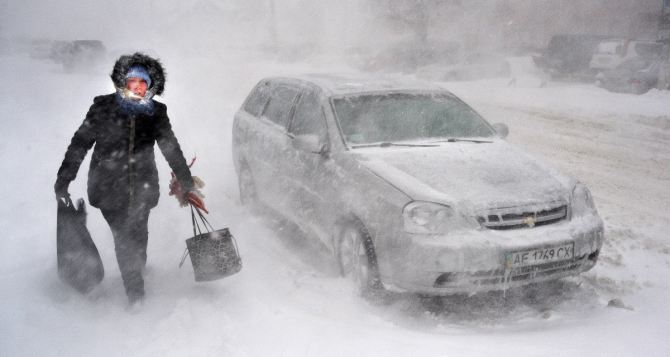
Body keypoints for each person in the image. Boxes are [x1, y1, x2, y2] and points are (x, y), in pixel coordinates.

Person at [54, 52, 199, 305]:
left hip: (143, 186)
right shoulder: (103, 108)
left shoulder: (155, 113)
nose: (138, 88)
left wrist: (186, 181)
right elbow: (80, 143)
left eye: (143, 83)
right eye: (133, 82)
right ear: (123, 82)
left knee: (139, 234)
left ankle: (136, 268)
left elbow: (170, 147)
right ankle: (135, 291)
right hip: (108, 187)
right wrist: (64, 178)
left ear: (150, 86)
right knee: (123, 237)